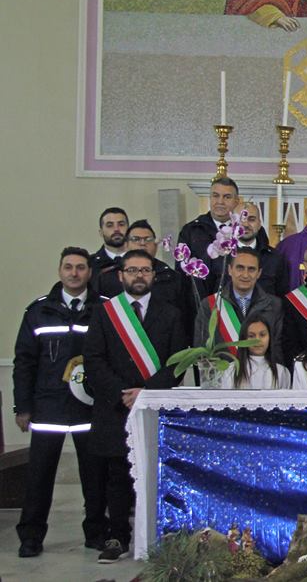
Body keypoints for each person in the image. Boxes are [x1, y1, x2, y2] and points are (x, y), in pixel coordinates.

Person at [83, 250, 187, 564]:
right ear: (121, 275)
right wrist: (121, 392)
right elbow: (94, 360)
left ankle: (160, 537)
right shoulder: (104, 313)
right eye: (132, 270)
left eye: (144, 270)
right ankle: (118, 537)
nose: (138, 276)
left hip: (155, 406)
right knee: (118, 475)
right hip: (116, 407)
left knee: (159, 473)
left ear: (153, 275)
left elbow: (178, 362)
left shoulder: (171, 313)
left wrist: (147, 392)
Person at [13, 247, 109, 558]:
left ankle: (95, 532)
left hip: (89, 408)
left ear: (89, 272)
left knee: (94, 476)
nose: (74, 273)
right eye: (68, 267)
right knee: (39, 477)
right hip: (48, 407)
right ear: (60, 271)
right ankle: (31, 536)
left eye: (80, 267)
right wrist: (22, 407)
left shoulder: (104, 310)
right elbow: (24, 362)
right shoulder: (38, 311)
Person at [194, 248, 283, 364]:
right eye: (240, 268)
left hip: (262, 378)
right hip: (223, 377)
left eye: (251, 269)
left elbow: (277, 351)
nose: (245, 275)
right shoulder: (210, 305)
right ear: (230, 270)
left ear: (259, 273)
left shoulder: (274, 305)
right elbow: (202, 351)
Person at [94, 220, 187, 323]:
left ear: (155, 245)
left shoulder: (171, 278)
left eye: (148, 239)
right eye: (136, 239)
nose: (142, 244)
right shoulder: (108, 278)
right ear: (126, 244)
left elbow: (182, 317)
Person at [177, 177, 241, 296]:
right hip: (200, 306)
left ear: (236, 201)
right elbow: (181, 275)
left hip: (236, 305)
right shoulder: (191, 230)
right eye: (216, 196)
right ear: (210, 198)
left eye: (227, 197)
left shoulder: (243, 231)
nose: (220, 201)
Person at [220, 314, 291, 389]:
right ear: (243, 339)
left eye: (262, 335)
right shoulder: (231, 371)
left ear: (270, 337)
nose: (257, 340)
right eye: (251, 336)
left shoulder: (282, 372)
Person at [235, 203, 288, 297]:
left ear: (259, 224)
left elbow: (282, 297)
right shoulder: (219, 255)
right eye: (240, 219)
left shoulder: (275, 258)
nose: (245, 224)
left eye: (251, 219)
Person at [91, 207, 128, 278]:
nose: (116, 229)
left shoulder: (143, 262)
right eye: (110, 225)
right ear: (101, 232)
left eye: (121, 224)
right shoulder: (90, 265)